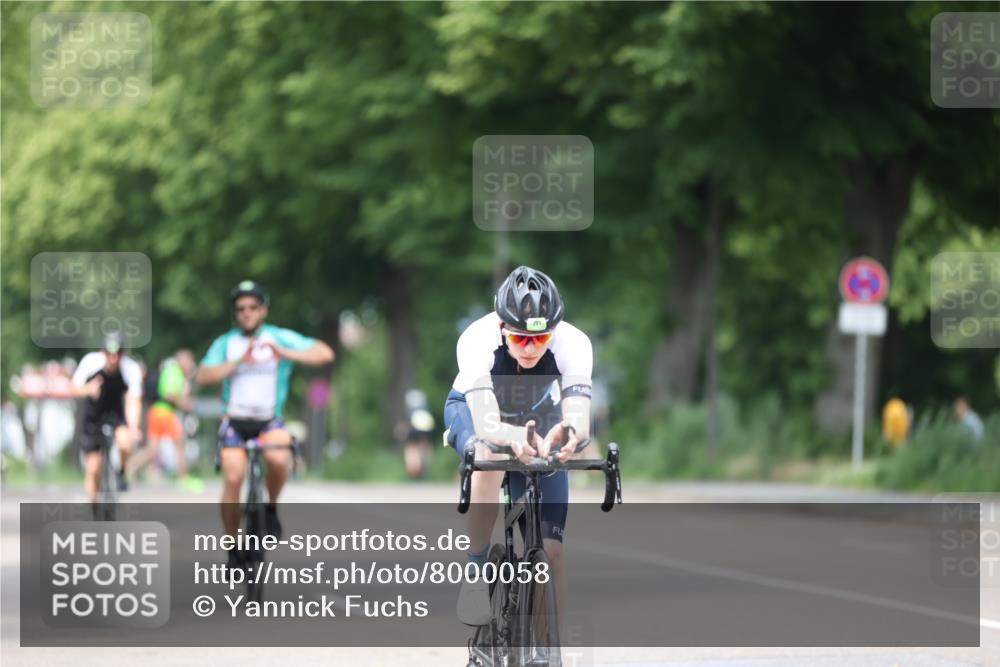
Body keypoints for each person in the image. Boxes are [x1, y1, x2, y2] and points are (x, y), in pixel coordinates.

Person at [444, 266, 593, 626]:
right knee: (489, 453)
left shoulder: (574, 343)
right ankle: (477, 570)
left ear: (553, 332)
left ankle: (552, 651)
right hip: (475, 411)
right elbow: (488, 425)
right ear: (501, 327)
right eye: (520, 338)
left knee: (552, 553)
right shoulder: (476, 339)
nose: (530, 348)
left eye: (540, 340)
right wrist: (514, 438)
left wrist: (570, 434)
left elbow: (578, 416)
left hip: (538, 417)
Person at [196, 280, 334, 567]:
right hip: (234, 420)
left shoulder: (278, 337)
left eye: (252, 308)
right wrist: (237, 362)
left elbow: (324, 353)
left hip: (269, 419)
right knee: (233, 477)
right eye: (241, 309)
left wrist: (286, 354)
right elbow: (203, 376)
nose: (246, 313)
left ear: (263, 310)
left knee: (280, 457)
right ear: (235, 313)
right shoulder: (226, 343)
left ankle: (270, 508)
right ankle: (233, 545)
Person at [70, 332, 143, 515]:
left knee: (126, 442)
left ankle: (121, 473)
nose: (113, 358)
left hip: (116, 415)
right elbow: (74, 388)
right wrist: (88, 389)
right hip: (93, 417)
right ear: (102, 351)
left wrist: (133, 427)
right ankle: (94, 505)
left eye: (118, 353)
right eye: (109, 353)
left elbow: (134, 400)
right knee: (93, 468)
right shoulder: (91, 363)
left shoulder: (130, 369)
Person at [130, 349, 199, 489]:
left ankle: (128, 468)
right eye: (190, 362)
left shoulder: (171, 371)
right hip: (165, 413)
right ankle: (183, 478)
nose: (191, 365)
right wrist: (184, 403)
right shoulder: (175, 372)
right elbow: (169, 394)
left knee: (152, 450)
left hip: (156, 412)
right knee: (180, 444)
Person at [400, 389, 435, 479]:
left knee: (410, 445)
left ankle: (413, 465)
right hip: (427, 430)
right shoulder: (426, 408)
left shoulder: (410, 410)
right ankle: (425, 461)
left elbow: (405, 425)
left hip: (413, 430)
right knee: (425, 444)